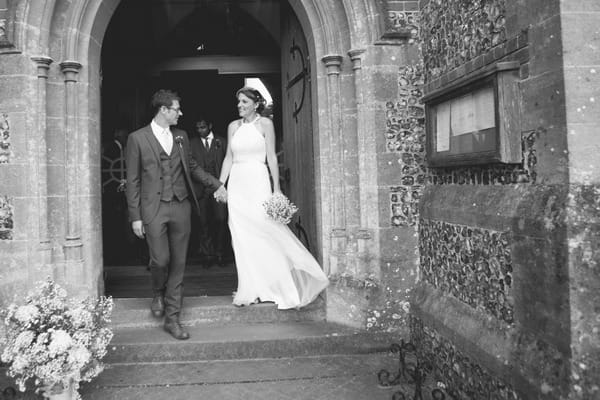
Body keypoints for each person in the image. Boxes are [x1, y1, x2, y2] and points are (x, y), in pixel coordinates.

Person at [126, 89, 227, 340]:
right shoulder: (137, 139)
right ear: (163, 110)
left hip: (181, 206)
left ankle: (173, 319)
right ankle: (158, 291)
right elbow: (133, 181)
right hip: (153, 208)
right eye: (176, 109)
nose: (180, 113)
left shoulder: (181, 137)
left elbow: (192, 167)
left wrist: (217, 184)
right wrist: (135, 217)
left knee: (179, 264)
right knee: (160, 260)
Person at [218, 87, 329, 309]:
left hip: (258, 180)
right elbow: (229, 157)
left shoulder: (265, 124)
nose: (240, 105)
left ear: (255, 104)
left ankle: (275, 286)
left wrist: (276, 188)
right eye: (238, 102)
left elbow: (270, 156)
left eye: (244, 102)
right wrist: (221, 185)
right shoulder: (232, 127)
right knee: (240, 235)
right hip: (238, 183)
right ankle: (249, 288)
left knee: (265, 231)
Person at [189, 116, 230, 266]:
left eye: (203, 127)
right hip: (200, 189)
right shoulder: (191, 144)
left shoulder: (222, 141)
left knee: (221, 219)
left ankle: (220, 252)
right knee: (203, 222)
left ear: (210, 126)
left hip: (219, 187)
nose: (200, 130)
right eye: (198, 128)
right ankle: (208, 254)